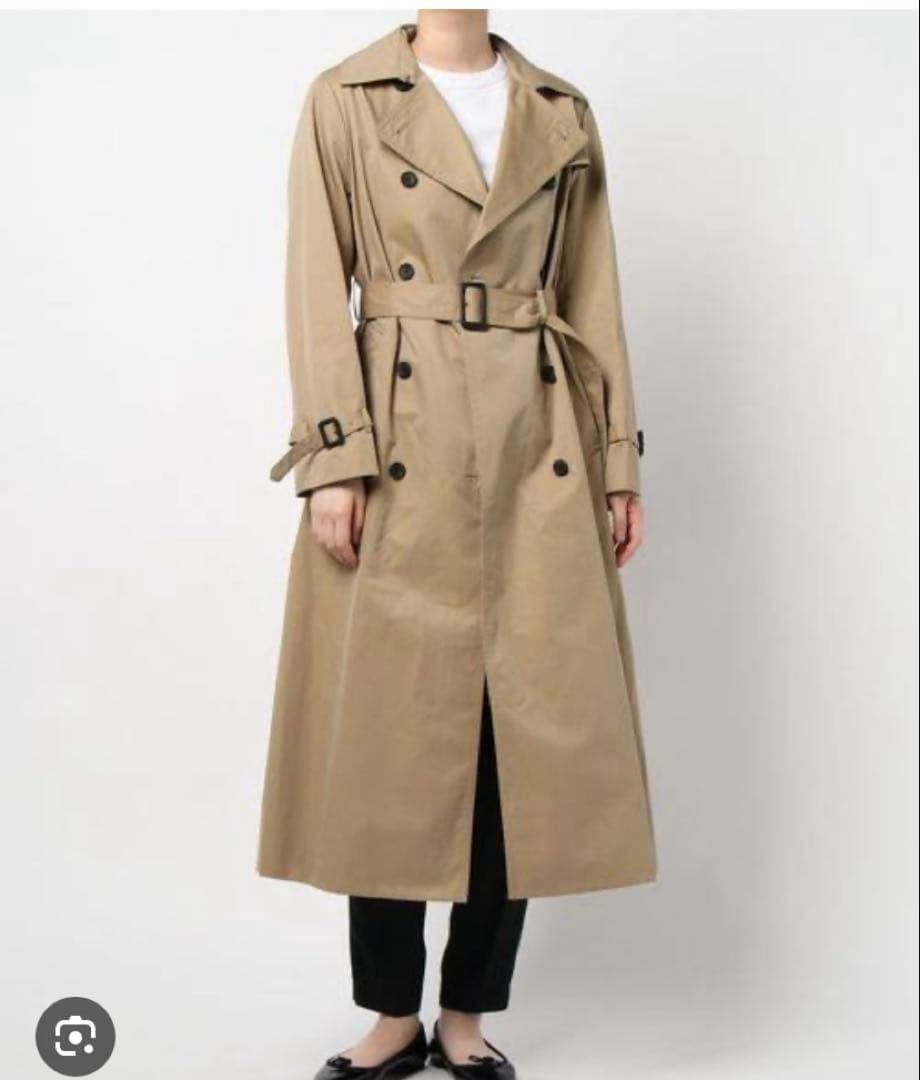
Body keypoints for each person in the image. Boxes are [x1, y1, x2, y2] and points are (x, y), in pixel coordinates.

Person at [257, 11, 657, 1080]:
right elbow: (316, 285)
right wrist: (333, 459)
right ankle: (392, 1015)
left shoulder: (559, 110)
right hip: (402, 439)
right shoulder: (345, 98)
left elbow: (593, 293)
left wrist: (616, 458)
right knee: (387, 736)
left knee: (512, 741)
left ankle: (468, 1014)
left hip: (538, 441)